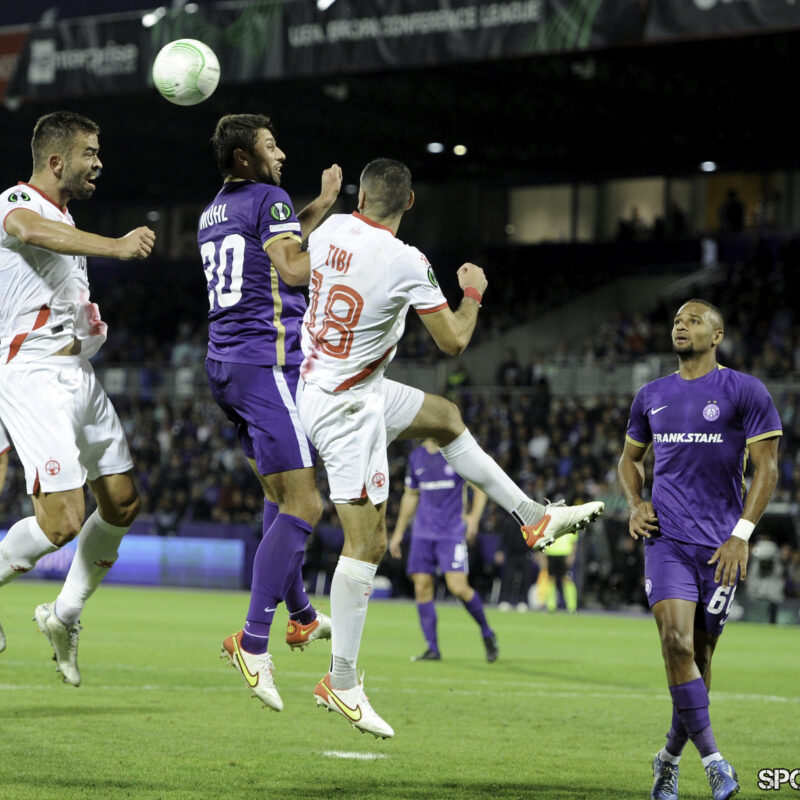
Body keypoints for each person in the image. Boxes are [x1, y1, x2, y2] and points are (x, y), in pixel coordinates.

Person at [295, 158, 604, 738]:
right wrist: (473, 292)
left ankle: (532, 516)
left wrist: (320, 202)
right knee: (368, 544)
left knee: (444, 417)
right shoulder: (407, 261)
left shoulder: (332, 227)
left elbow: (293, 265)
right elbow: (456, 340)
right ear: (410, 203)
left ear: (360, 197)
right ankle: (341, 682)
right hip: (347, 408)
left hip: (330, 383)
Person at [0, 111, 155, 681]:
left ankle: (64, 614)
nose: (99, 164)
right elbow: (28, 230)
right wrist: (116, 246)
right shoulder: (18, 201)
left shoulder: (66, 220)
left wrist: (87, 327)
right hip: (33, 374)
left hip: (77, 376)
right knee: (63, 521)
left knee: (123, 503)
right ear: (56, 161)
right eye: (89, 153)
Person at [199, 114, 342, 712]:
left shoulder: (216, 210)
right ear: (243, 157)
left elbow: (276, 241)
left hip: (226, 363)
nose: (280, 154)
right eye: (269, 145)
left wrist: (321, 207)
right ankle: (253, 641)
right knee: (306, 504)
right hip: (267, 363)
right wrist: (344, 248)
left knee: (279, 496)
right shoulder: (269, 198)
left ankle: (302, 614)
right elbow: (291, 266)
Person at [618, 299, 781, 800]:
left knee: (700, 658)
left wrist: (742, 535)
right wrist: (636, 502)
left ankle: (668, 759)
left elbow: (767, 468)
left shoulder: (745, 390)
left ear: (717, 335)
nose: (680, 326)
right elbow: (629, 459)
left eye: (693, 321)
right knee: (676, 643)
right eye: (676, 321)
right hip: (666, 541)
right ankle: (714, 762)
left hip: (721, 549)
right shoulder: (651, 395)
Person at [388, 438, 496, 663]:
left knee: (458, 587)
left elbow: (479, 487)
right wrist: (398, 532)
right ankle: (432, 648)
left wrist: (474, 518)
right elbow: (411, 494)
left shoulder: (455, 452)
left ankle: (487, 632)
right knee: (422, 587)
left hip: (451, 533)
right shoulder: (416, 456)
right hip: (422, 533)